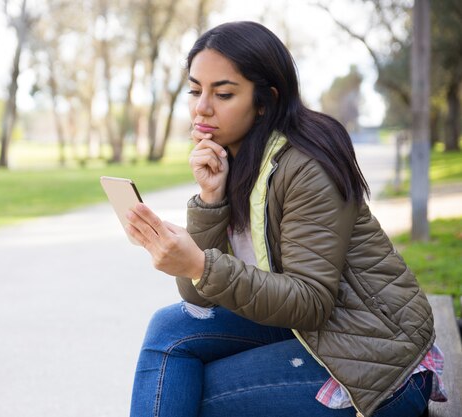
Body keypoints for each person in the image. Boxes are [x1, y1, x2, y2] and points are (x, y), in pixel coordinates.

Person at [124, 21, 446, 417]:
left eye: (223, 93)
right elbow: (198, 295)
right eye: (195, 90)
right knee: (169, 331)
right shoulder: (236, 160)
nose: (201, 107)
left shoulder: (307, 165)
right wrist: (210, 199)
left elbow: (310, 302)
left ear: (265, 100)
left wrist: (198, 263)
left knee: (192, 393)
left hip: (375, 362)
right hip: (315, 332)